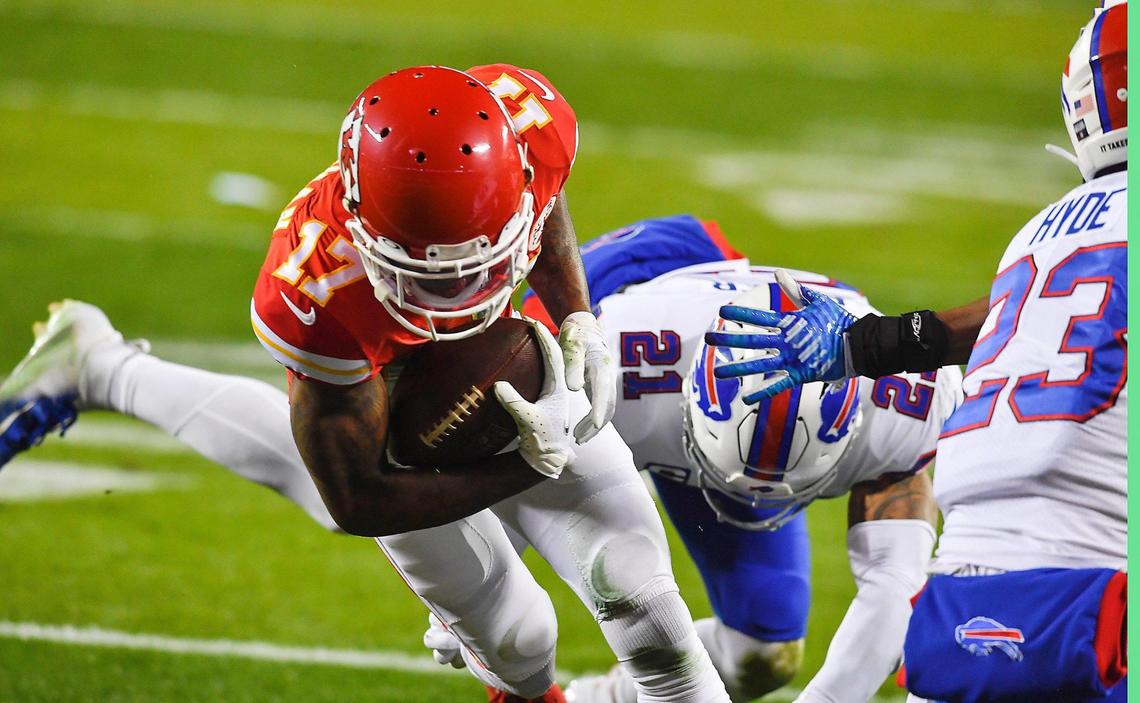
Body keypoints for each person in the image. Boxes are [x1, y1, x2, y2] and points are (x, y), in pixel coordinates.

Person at [0, 65, 729, 703]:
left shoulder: (528, 129)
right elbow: (356, 495)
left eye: (477, 264)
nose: (460, 294)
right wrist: (518, 465)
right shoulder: (313, 289)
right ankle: (102, 368)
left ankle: (95, 363)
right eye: (431, 275)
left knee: (644, 606)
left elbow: (545, 204)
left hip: (505, 372)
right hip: (396, 440)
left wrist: (578, 320)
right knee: (518, 640)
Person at [707, 3, 1128, 701]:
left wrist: (862, 343)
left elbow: (997, 319)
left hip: (950, 617)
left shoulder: (1040, 234)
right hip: (1092, 616)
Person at [498, 215, 958, 703]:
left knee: (762, 653)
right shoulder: (606, 373)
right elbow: (491, 501)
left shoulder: (905, 402)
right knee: (539, 576)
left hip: (706, 383)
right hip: (629, 288)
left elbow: (894, 586)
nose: (748, 495)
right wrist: (485, 628)